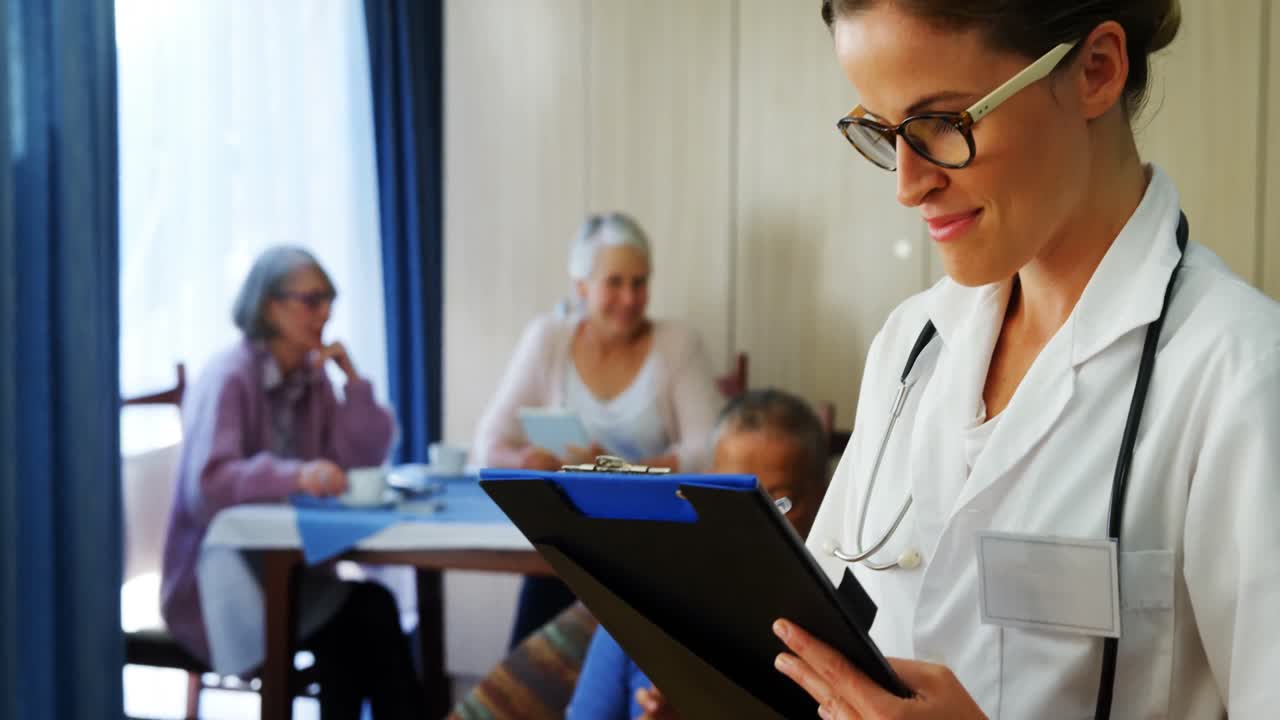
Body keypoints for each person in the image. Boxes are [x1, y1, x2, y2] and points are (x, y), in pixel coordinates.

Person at [768, 1, 1280, 718]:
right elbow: (824, 647)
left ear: (1095, 72)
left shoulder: (1242, 374)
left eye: (943, 123)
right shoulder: (910, 345)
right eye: (883, 133)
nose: (908, 185)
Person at [160, 246, 425, 719]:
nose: (324, 313)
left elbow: (356, 462)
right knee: (367, 614)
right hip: (221, 583)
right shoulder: (229, 377)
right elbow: (210, 484)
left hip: (290, 571)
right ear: (268, 305)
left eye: (329, 300)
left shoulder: (311, 379)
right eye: (311, 300)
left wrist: (354, 384)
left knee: (365, 618)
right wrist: (297, 475)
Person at [474, 212, 724, 647]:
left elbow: (711, 451)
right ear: (581, 286)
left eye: (640, 282)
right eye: (615, 282)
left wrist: (620, 470)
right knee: (535, 638)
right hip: (570, 539)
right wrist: (526, 459)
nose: (630, 298)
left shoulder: (678, 344)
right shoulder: (547, 338)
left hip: (650, 541)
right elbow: (489, 443)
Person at [567, 389, 831, 720]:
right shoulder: (643, 597)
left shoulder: (832, 633)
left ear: (825, 494)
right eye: (731, 496)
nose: (753, 525)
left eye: (782, 501)